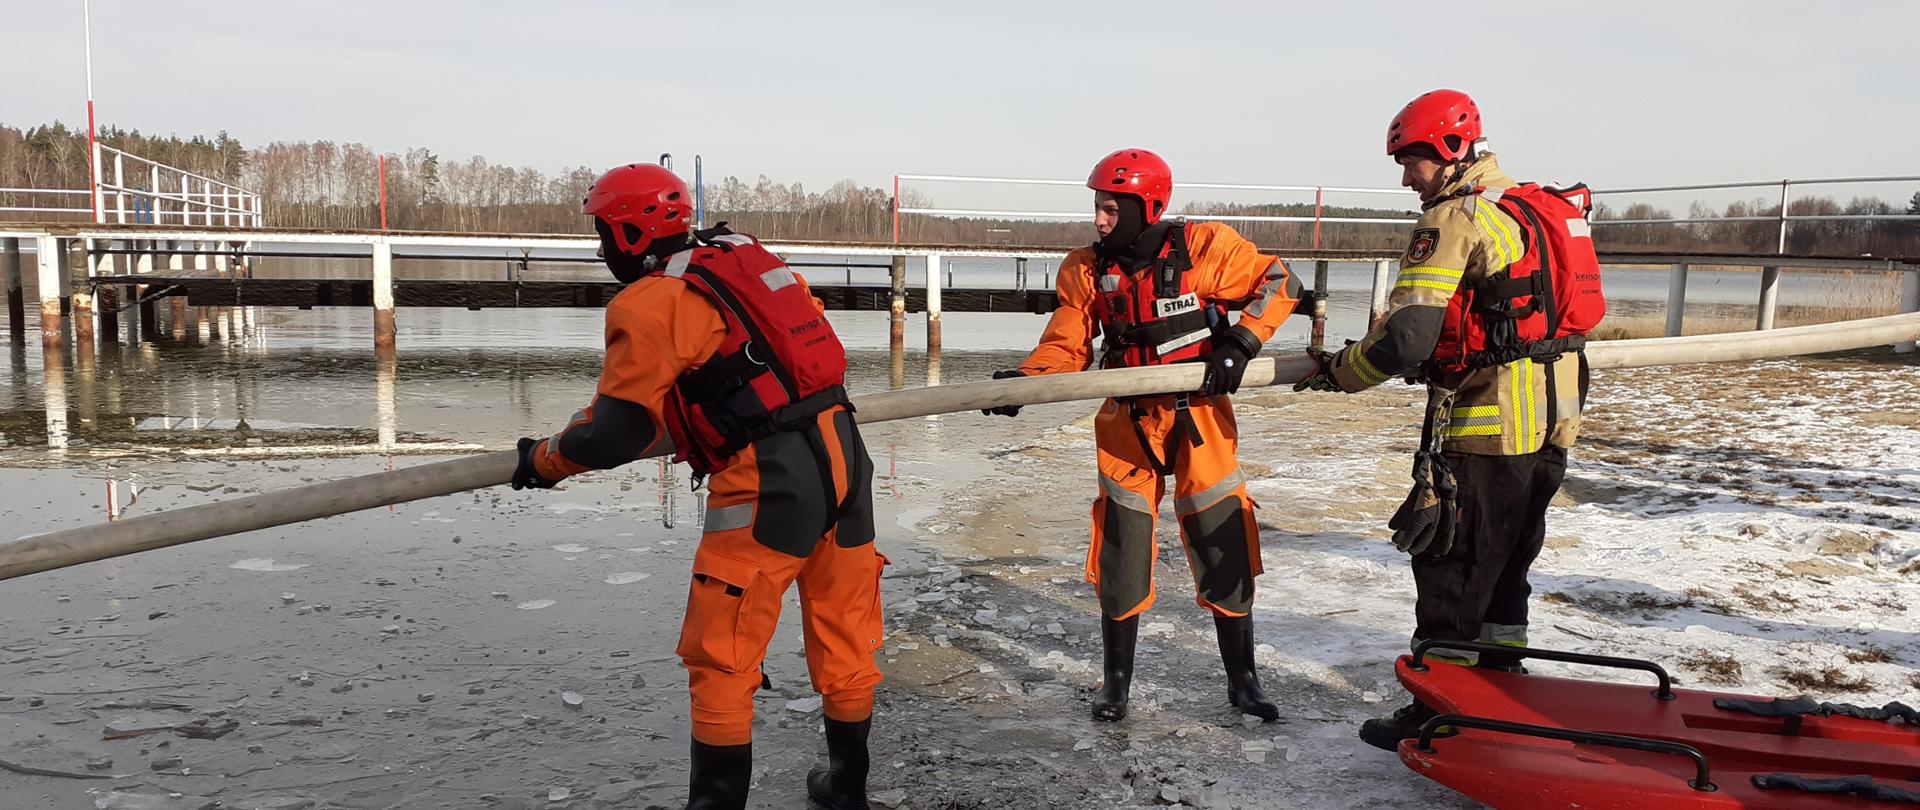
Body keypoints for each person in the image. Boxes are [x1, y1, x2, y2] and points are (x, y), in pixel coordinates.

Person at [512, 163, 884, 810]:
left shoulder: (651, 302)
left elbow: (613, 436)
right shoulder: (746, 259)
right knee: (846, 630)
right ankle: (846, 788)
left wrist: (541, 461)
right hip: (845, 454)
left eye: (604, 234)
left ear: (630, 234)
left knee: (723, 652)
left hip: (771, 481)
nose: (602, 250)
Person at [1293, 89, 1604, 750]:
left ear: (1452, 151)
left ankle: (1441, 708)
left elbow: (1407, 339)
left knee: (1454, 571)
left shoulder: (1457, 218)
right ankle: (1501, 690)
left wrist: (1335, 372)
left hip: (1491, 425)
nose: (1406, 178)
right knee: (1507, 566)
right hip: (1555, 422)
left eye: (1413, 162)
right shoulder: (1532, 207)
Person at [986, 148, 1303, 722]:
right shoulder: (1085, 269)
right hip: (1127, 418)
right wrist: (1026, 384)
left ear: (1147, 206)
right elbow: (1067, 341)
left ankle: (1244, 682)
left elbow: (1280, 280)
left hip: (1198, 414)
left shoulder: (1203, 248)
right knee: (1122, 544)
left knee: (1221, 534)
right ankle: (1116, 685)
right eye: (1098, 208)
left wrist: (1241, 344)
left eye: (1110, 209)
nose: (1100, 220)